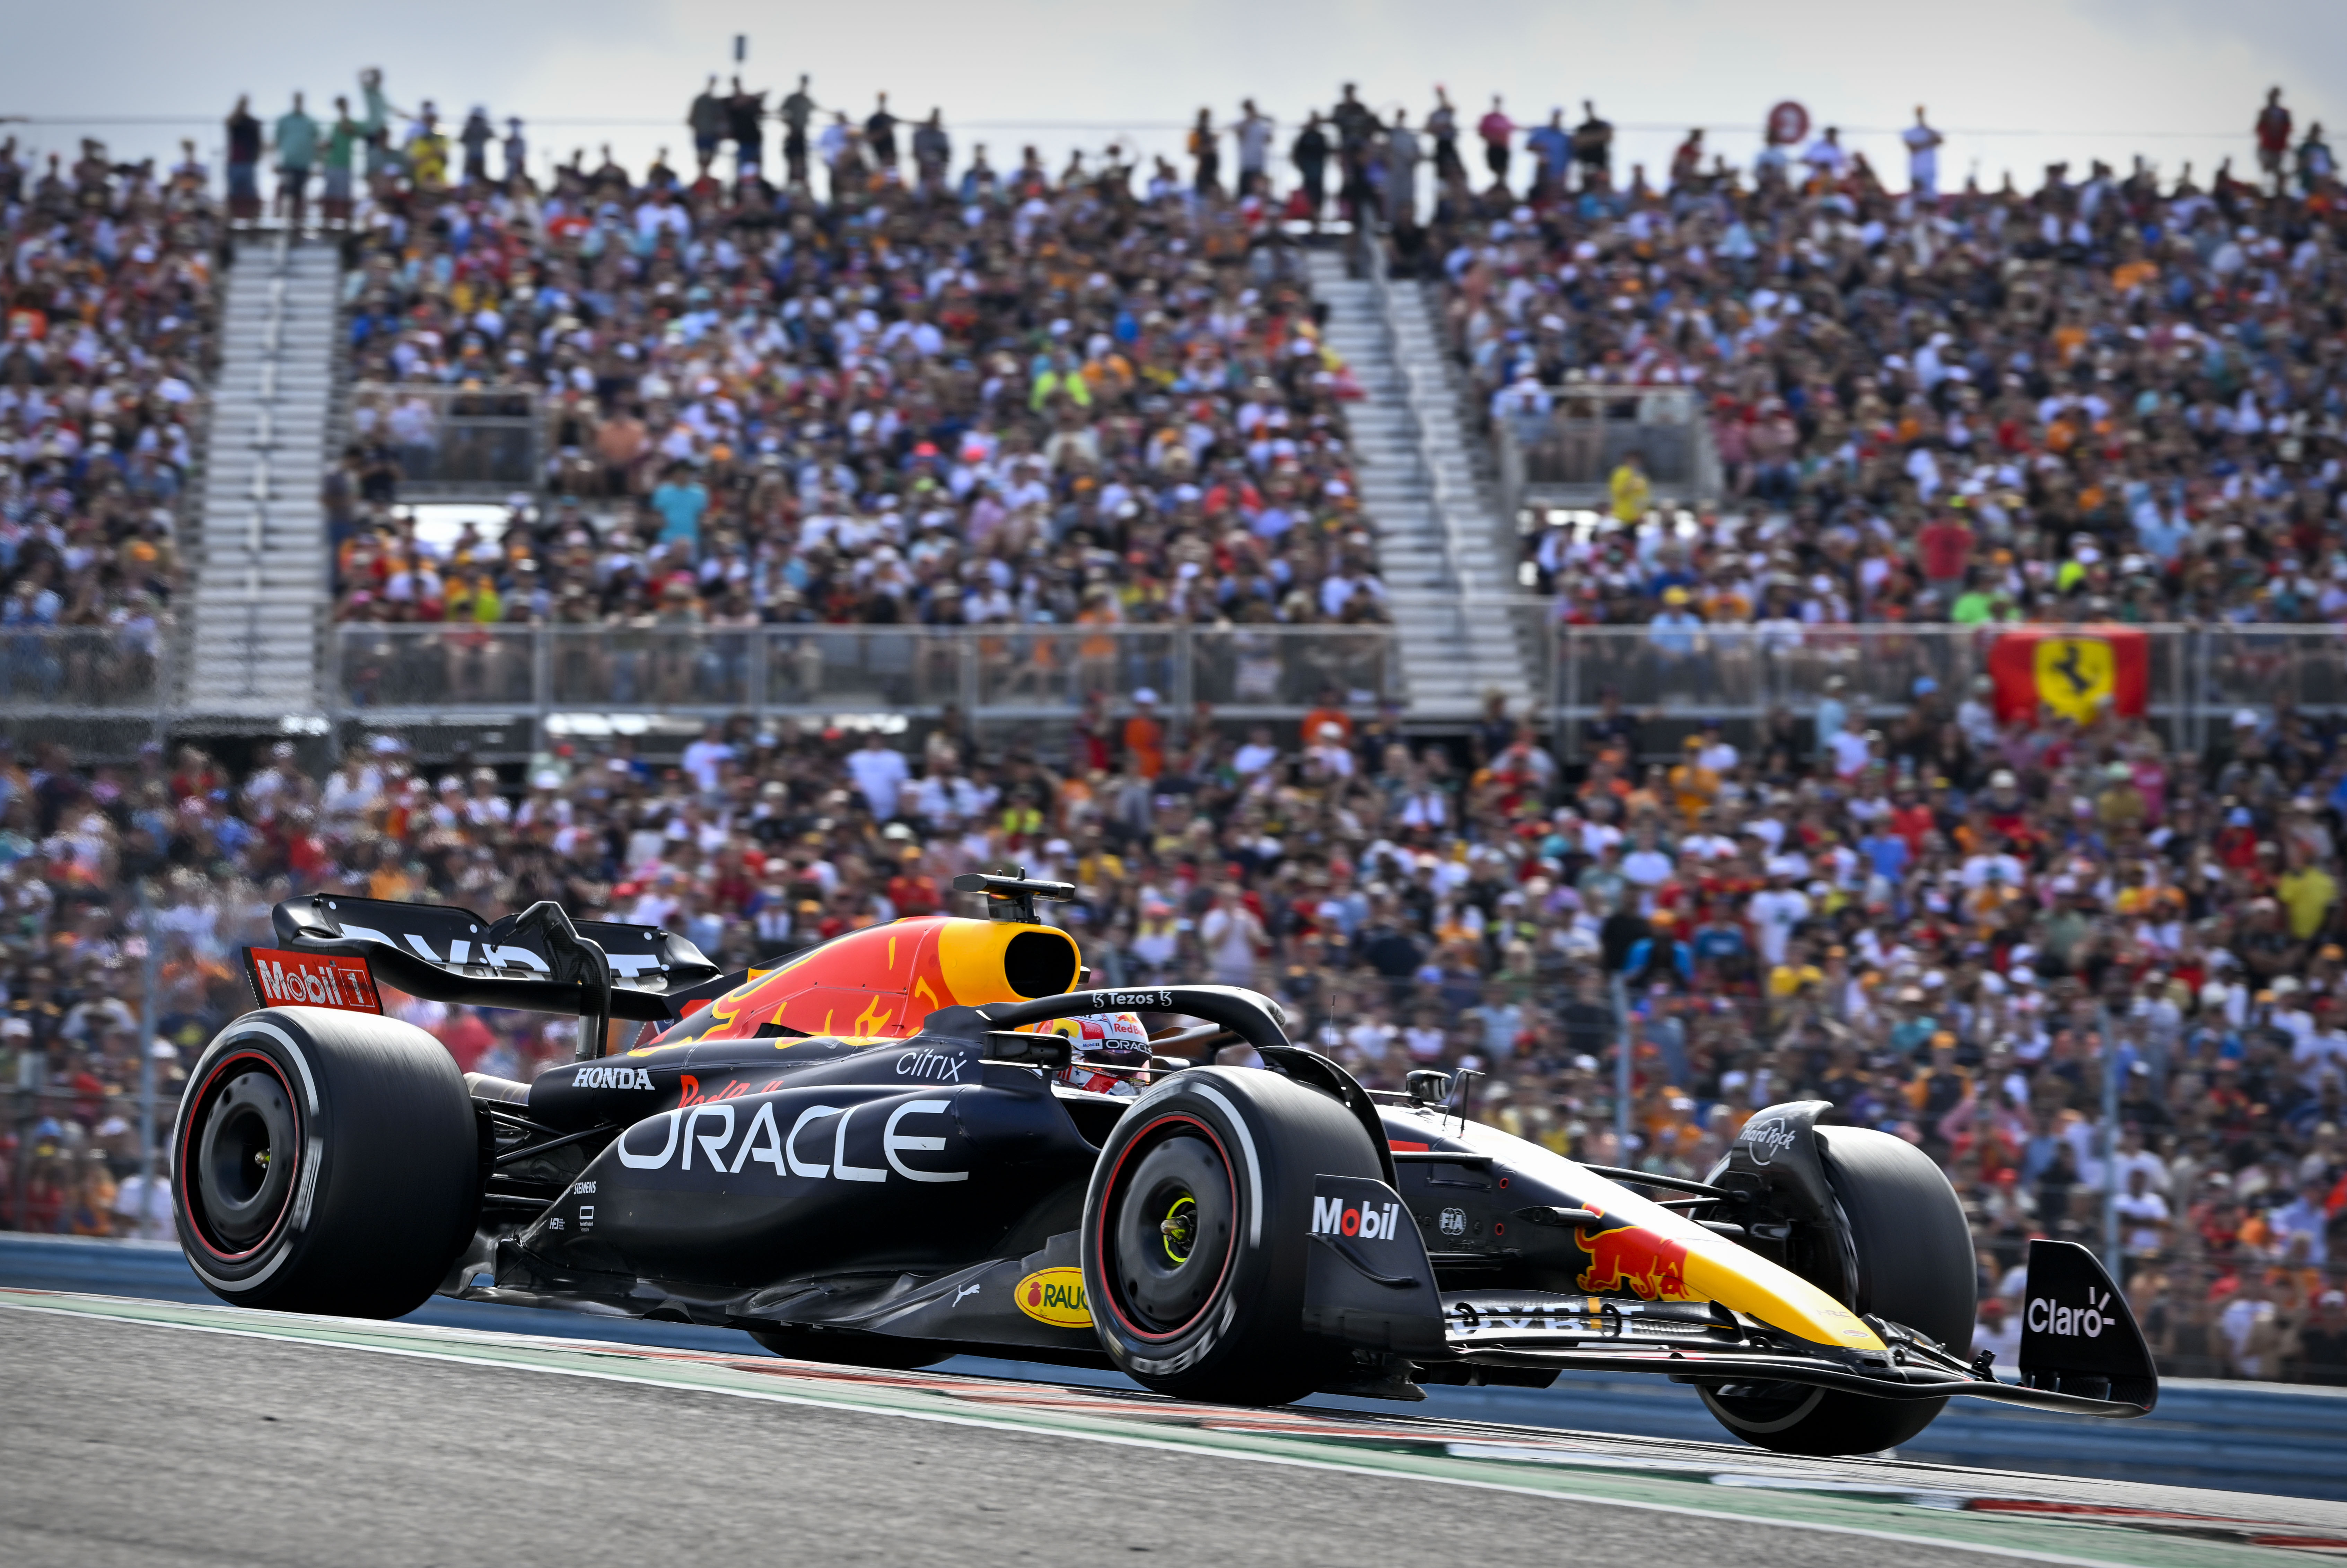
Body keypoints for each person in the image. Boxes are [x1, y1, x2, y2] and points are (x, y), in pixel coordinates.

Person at [272, 92, 319, 227]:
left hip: (304, 166)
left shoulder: (311, 122)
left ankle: (298, 228)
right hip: (288, 164)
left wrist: (318, 165)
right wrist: (273, 162)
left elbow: (318, 144)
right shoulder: (284, 120)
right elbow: (276, 142)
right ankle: (285, 225)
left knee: (301, 197)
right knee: (287, 193)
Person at [321, 96, 360, 226]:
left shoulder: (350, 123)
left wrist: (344, 112)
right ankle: (327, 227)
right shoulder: (333, 125)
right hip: (331, 166)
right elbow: (329, 145)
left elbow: (348, 130)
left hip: (344, 166)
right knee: (328, 199)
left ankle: (346, 229)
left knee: (345, 201)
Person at [225, 94, 262, 223]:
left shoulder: (253, 123)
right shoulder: (235, 121)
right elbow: (228, 122)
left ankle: (254, 224)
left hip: (248, 163)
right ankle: (230, 223)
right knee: (233, 195)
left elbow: (259, 143)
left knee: (251, 195)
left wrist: (257, 158)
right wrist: (238, 109)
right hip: (235, 163)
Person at [1291, 113, 1330, 222]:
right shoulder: (1304, 137)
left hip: (1319, 173)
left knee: (1319, 196)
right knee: (1308, 196)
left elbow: (1328, 153)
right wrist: (1300, 167)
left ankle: (1317, 216)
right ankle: (1308, 215)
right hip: (1307, 174)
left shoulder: (1321, 137)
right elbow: (1296, 154)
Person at [1234, 98, 1272, 198]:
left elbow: (1269, 140)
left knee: (1258, 196)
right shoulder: (1242, 125)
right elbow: (1239, 133)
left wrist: (1270, 124)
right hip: (1246, 166)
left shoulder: (1261, 126)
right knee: (1244, 197)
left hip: (1259, 166)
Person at [2258, 88, 2293, 195]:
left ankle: (2279, 192)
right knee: (2267, 169)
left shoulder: (2285, 113)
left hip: (2279, 149)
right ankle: (2263, 191)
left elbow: (2289, 128)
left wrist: (2278, 130)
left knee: (2279, 172)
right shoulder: (2264, 112)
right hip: (2266, 147)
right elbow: (2259, 128)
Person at [689, 76, 727, 177]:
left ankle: (706, 175)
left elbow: (721, 118)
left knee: (710, 156)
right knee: (703, 155)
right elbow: (691, 119)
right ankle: (702, 175)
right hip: (702, 134)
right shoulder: (700, 100)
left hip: (713, 135)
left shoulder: (716, 102)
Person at [1904, 106, 1944, 201]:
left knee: (1930, 197)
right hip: (1917, 170)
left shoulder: (1931, 131)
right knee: (1917, 197)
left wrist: (1925, 126)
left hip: (1930, 170)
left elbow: (1940, 140)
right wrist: (1930, 142)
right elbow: (1912, 148)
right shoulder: (1910, 132)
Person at [1476, 96, 1514, 191]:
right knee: (1496, 169)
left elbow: (1513, 128)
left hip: (1503, 149)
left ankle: (1502, 187)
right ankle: (1499, 187)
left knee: (1503, 170)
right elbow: (1481, 132)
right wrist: (1492, 138)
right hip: (1493, 149)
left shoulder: (1505, 118)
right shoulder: (1488, 118)